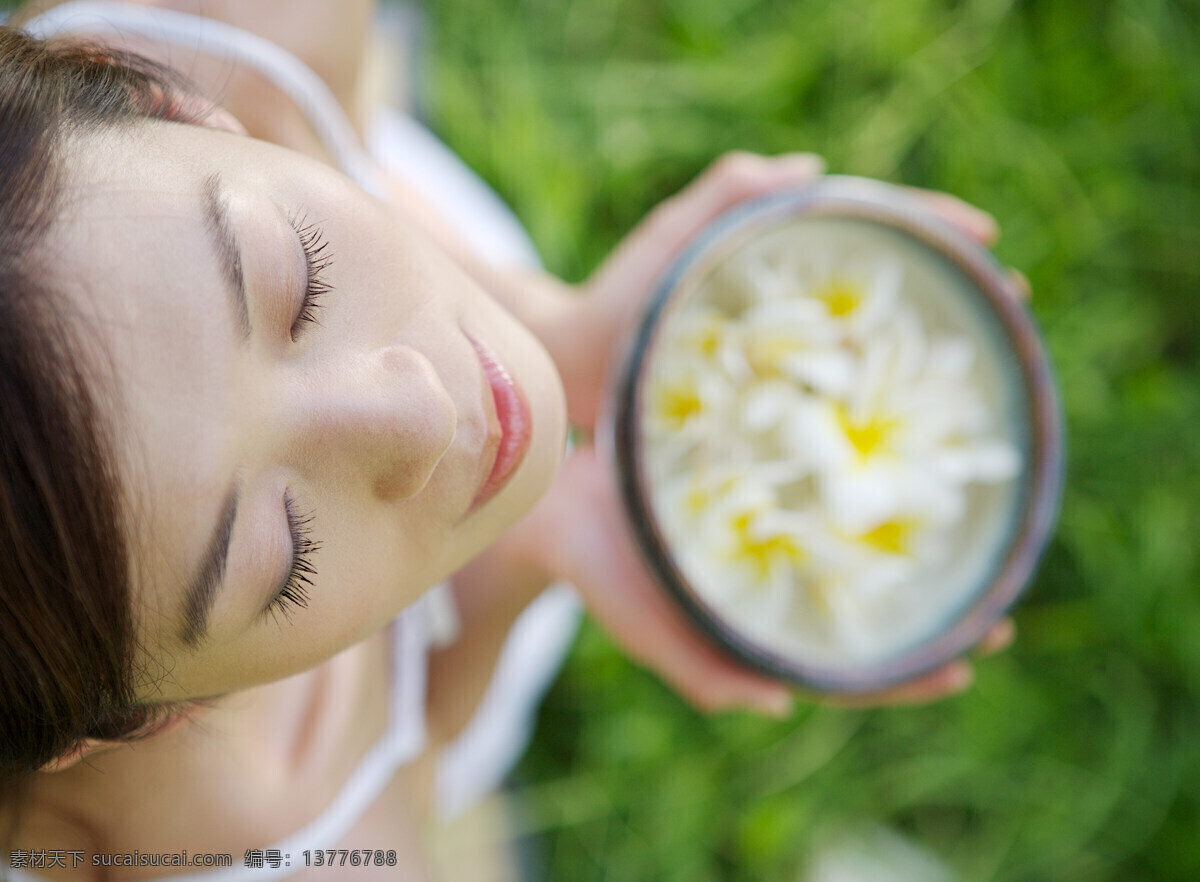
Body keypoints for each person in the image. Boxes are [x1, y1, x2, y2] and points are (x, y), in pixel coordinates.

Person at [0, 2, 1015, 879]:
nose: (422, 414)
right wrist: (529, 550)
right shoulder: (287, 827)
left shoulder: (238, 47)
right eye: (285, 552)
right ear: (153, 715)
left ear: (145, 91)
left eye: (299, 281)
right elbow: (425, 728)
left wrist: (552, 326)